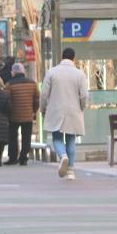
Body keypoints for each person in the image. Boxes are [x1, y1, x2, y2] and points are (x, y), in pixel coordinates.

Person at [40, 47, 88, 181]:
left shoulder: (52, 72)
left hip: (56, 110)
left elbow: (44, 94)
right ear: (74, 58)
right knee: (71, 139)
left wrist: (42, 108)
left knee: (57, 138)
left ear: (62, 57)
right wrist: (82, 108)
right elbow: (84, 95)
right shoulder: (79, 74)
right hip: (74, 111)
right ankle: (71, 171)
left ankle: (63, 156)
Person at [4, 63, 40, 166]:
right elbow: (37, 99)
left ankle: (13, 157)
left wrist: (9, 111)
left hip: (13, 115)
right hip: (28, 114)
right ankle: (24, 158)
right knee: (26, 137)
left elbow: (6, 100)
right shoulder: (32, 83)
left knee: (12, 137)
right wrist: (33, 111)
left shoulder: (9, 84)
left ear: (13, 72)